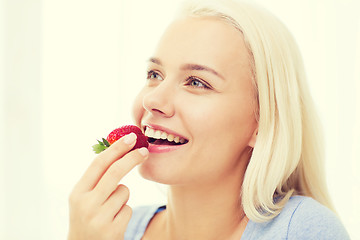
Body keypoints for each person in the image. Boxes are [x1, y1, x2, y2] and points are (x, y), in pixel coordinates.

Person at [67, 0, 351, 239]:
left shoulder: (302, 230)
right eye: (155, 75)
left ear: (262, 122)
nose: (152, 101)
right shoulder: (113, 230)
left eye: (197, 82)